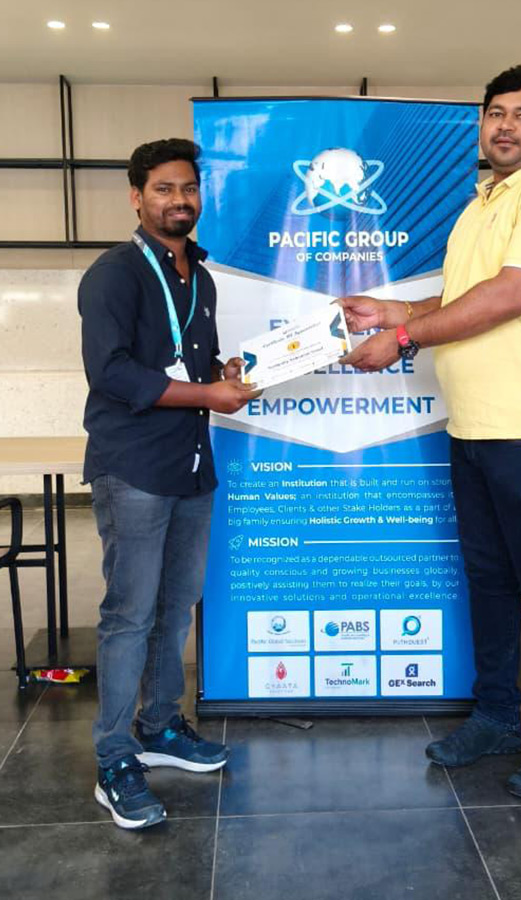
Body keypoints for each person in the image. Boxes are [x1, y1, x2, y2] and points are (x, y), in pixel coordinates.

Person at [339, 65, 521, 800]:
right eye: (495, 113)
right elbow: (464, 295)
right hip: (478, 426)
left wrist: (402, 339)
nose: (505, 126)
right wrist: (393, 312)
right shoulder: (481, 203)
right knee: (489, 580)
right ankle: (496, 716)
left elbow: (509, 296)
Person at [79, 138, 259, 829]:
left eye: (188, 188)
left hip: (190, 466)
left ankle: (158, 725)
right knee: (129, 615)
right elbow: (112, 372)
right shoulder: (114, 274)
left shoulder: (199, 277)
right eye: (163, 189)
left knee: (176, 604)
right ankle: (113, 758)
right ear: (136, 197)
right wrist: (207, 395)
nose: (178, 200)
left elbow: (189, 359)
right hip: (134, 468)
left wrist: (223, 372)